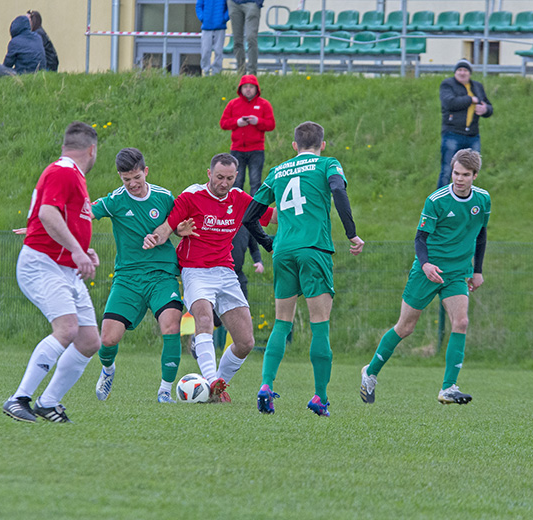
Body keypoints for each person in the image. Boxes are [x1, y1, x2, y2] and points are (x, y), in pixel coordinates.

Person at [243, 121, 364, 417]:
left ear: (294, 146)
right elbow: (338, 191)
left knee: (281, 322)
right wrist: (351, 233)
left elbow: (249, 216)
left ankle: (266, 386)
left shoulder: (278, 171)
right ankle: (320, 397)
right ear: (322, 145)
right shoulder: (328, 164)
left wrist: (270, 244)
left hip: (284, 250)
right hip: (314, 249)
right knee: (319, 323)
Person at [360, 149, 490, 406]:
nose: (459, 179)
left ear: (475, 175)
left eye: (465, 174)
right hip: (427, 271)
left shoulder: (483, 199)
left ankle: (448, 387)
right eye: (455, 173)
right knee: (405, 327)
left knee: (461, 322)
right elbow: (420, 238)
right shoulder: (437, 200)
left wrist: (477, 270)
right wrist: (427, 264)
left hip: (457, 273)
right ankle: (370, 372)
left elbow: (481, 234)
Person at [144, 153, 273, 403]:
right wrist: (154, 237)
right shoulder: (191, 196)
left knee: (245, 341)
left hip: (226, 271)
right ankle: (211, 380)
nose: (224, 183)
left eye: (229, 178)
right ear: (209, 174)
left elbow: (270, 216)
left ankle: (216, 387)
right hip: (195, 270)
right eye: (219, 177)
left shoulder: (240, 199)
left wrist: (300, 211)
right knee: (203, 318)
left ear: (236, 177)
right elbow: (168, 226)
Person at [2, 121, 100, 424]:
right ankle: (18, 399)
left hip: (65, 267)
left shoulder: (73, 175)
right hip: (43, 263)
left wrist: (84, 250)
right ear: (92, 150)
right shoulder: (63, 172)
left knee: (88, 340)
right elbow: (47, 214)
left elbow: (63, 220)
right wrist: (76, 249)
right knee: (68, 329)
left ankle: (48, 402)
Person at [91, 148, 188, 404]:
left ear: (145, 171)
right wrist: (41, 225)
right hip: (128, 277)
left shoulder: (164, 197)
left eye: (137, 177)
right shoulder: (115, 201)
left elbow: (178, 226)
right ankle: (108, 370)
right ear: (120, 178)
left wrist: (178, 230)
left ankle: (165, 390)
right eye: (126, 180)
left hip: (162, 274)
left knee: (171, 325)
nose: (133, 184)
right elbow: (84, 213)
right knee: (108, 339)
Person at [438, 59, 493, 188]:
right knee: (447, 170)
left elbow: (488, 106)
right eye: (459, 70)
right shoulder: (447, 85)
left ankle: (467, 200)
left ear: (470, 73)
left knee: (471, 170)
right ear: (455, 72)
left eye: (465, 70)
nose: (462, 73)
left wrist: (485, 109)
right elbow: (449, 103)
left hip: (472, 135)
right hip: (453, 133)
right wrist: (470, 99)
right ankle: (440, 202)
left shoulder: (477, 87)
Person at [220, 74, 275, 196]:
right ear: (241, 89)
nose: (248, 89)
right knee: (236, 182)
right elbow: (223, 123)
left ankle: (254, 211)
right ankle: (236, 208)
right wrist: (237, 122)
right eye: (245, 87)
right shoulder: (233, 104)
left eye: (251, 86)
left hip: (256, 150)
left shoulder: (264, 104)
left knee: (255, 182)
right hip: (237, 149)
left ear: (256, 89)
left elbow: (271, 124)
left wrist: (258, 122)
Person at [227, 0, 263, 75]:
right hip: (234, 3)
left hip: (252, 3)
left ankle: (252, 74)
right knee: (237, 41)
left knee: (251, 38)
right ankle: (241, 73)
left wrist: (258, 2)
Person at [196, 0, 229, 76]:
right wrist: (202, 18)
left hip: (220, 27)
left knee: (218, 51)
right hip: (206, 27)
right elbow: (198, 6)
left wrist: (224, 19)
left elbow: (229, 7)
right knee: (205, 51)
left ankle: (216, 73)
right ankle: (206, 72)